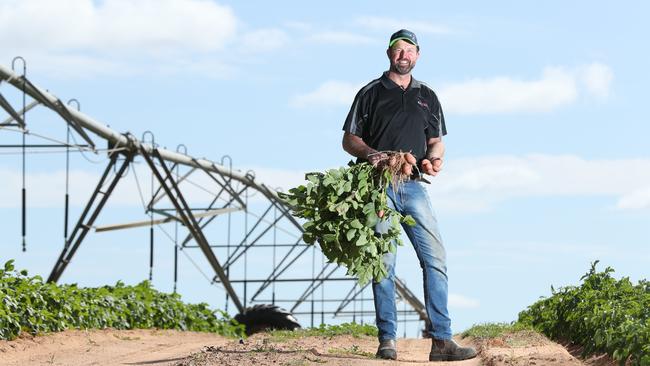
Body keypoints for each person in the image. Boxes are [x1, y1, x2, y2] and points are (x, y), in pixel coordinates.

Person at [341, 29, 477, 362]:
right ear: (389, 53)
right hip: (378, 186)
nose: (404, 55)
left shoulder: (428, 96)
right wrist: (372, 153)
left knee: (435, 260)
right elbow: (349, 140)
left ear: (418, 55)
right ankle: (387, 340)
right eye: (398, 49)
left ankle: (442, 342)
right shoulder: (371, 93)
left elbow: (436, 140)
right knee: (383, 264)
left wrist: (435, 158)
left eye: (409, 50)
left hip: (414, 186)